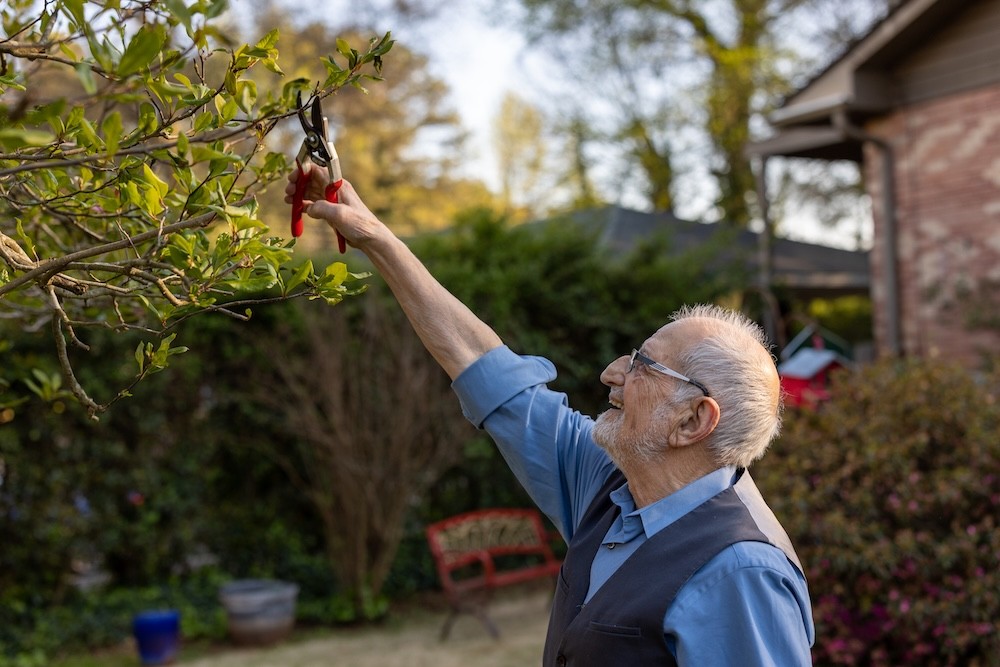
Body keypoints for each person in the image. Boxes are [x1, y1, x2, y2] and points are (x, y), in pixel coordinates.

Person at [285, 168, 815, 666]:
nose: (611, 374)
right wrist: (376, 237)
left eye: (641, 366)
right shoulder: (611, 483)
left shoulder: (741, 572)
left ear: (693, 421)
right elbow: (486, 370)